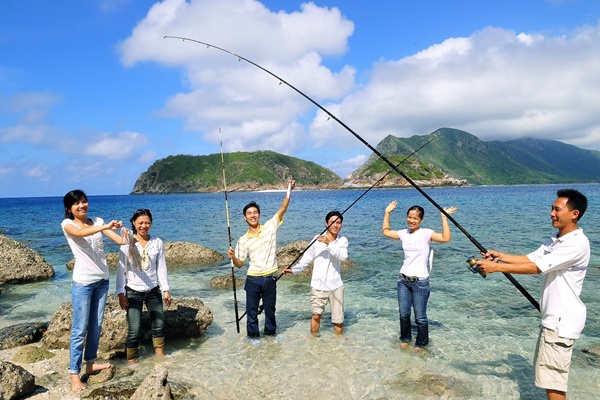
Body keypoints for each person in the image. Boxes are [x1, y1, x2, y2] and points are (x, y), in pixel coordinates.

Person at [476, 189, 589, 400]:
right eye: (551, 209)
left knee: (554, 384)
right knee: (549, 381)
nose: (551, 213)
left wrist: (495, 268)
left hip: (561, 323)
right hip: (553, 320)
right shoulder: (556, 239)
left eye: (557, 209)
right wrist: (499, 256)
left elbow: (538, 267)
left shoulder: (576, 243)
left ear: (574, 214)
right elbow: (530, 258)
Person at [61, 189, 127, 392]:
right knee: (80, 329)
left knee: (96, 326)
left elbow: (119, 241)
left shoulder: (97, 221)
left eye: (84, 201)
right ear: (69, 208)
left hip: (102, 281)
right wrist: (105, 226)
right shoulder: (67, 224)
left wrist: (124, 231)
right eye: (77, 203)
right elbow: (81, 234)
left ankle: (89, 364)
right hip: (83, 283)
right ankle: (74, 374)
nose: (82, 205)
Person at [382, 201, 457, 350]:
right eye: (409, 217)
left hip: (420, 282)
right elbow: (385, 231)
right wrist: (387, 213)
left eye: (415, 218)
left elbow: (445, 238)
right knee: (404, 314)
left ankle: (422, 344)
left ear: (421, 220)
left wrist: (444, 217)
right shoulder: (403, 233)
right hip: (403, 280)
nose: (411, 220)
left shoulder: (426, 233)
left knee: (420, 318)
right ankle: (405, 338)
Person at [228, 179, 295, 341]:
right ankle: (253, 337)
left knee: (270, 310)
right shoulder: (243, 240)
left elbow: (283, 207)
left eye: (255, 212)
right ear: (245, 218)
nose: (253, 215)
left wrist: (289, 189)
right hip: (252, 280)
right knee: (252, 312)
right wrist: (233, 257)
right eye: (249, 213)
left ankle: (271, 335)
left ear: (259, 214)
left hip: (270, 278)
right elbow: (239, 265)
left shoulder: (270, 227)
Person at [116, 208, 171, 363]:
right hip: (133, 291)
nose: (143, 226)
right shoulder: (127, 242)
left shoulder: (157, 242)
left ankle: (159, 355)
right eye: (140, 222)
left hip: (153, 290)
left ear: (151, 223)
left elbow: (161, 267)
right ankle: (132, 360)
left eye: (147, 222)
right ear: (134, 223)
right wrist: (121, 293)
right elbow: (121, 269)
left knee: (159, 323)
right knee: (134, 328)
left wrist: (165, 289)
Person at [283, 210, 349, 335]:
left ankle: (339, 347)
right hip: (318, 285)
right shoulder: (316, 239)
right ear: (326, 223)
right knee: (316, 315)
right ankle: (314, 343)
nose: (335, 225)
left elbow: (343, 257)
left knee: (338, 320)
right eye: (332, 222)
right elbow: (306, 260)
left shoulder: (342, 240)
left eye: (339, 223)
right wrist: (293, 270)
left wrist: (329, 244)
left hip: (336, 286)